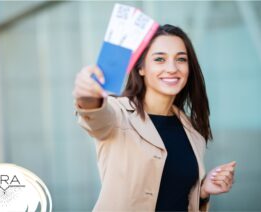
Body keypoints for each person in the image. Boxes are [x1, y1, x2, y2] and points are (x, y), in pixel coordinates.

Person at [73, 24, 236, 211]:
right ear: (141, 68)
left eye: (181, 59)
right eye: (159, 59)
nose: (172, 68)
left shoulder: (191, 130)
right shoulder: (118, 114)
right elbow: (95, 116)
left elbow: (174, 197)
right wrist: (88, 95)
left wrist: (203, 191)